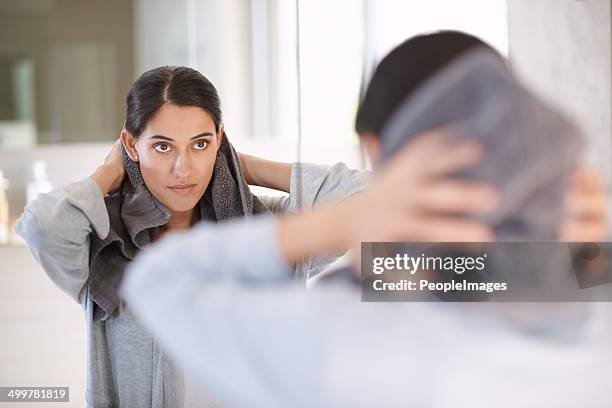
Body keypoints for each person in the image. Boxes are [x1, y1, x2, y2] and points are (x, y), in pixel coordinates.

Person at [121, 32, 611, 407]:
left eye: (203, 145)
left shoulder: (345, 335)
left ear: (380, 154)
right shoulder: (588, 290)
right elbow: (476, 276)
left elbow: (159, 282)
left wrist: (333, 222)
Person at [14, 66, 369, 407]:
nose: (183, 169)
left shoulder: (264, 230)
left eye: (199, 144)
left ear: (219, 140)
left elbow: (371, 200)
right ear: (132, 146)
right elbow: (43, 226)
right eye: (163, 147)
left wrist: (241, 163)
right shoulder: (105, 243)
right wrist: (109, 170)